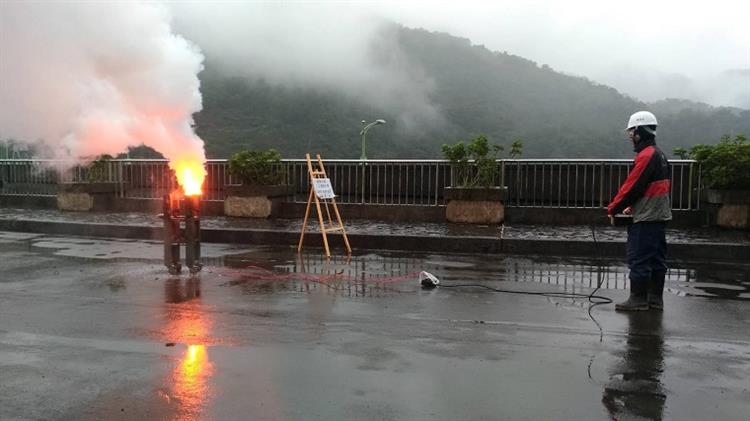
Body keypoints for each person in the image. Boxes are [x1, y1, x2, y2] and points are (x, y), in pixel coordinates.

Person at [607, 111, 672, 311]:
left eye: (632, 131)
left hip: (646, 218)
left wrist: (613, 208)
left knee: (639, 258)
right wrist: (631, 206)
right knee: (656, 259)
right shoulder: (660, 154)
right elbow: (649, 188)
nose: (630, 135)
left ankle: (638, 299)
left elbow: (632, 186)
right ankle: (655, 299)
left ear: (640, 131)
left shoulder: (646, 156)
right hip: (659, 215)